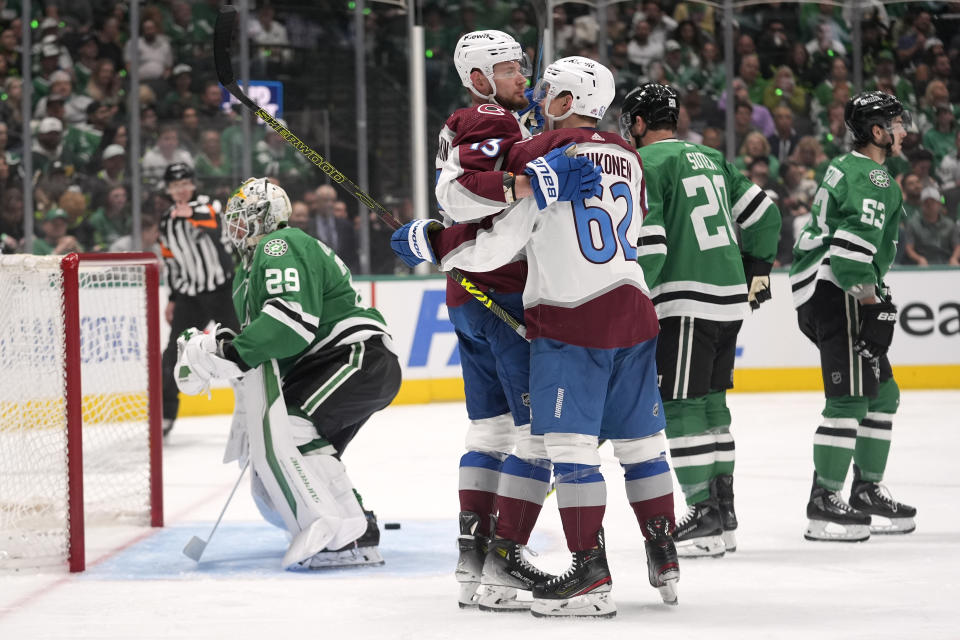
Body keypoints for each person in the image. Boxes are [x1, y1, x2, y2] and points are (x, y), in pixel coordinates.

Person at [396, 57, 679, 618]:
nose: (538, 97)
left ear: (569, 101)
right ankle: (664, 556)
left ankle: (585, 579)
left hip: (570, 317)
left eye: (548, 90)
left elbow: (503, 237)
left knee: (562, 448)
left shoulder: (541, 152)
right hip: (635, 311)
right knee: (642, 446)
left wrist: (438, 245)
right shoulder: (630, 156)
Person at [175, 177, 401, 569]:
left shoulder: (278, 244)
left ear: (266, 217)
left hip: (352, 355)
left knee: (292, 429)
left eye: (244, 216)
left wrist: (229, 354)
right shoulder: (246, 270)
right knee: (302, 447)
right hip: (329, 363)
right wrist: (219, 349)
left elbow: (289, 322)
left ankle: (342, 534)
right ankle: (356, 530)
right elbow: (260, 341)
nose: (235, 225)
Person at [404, 29, 554, 611]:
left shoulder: (501, 119)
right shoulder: (487, 117)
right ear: (479, 79)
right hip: (503, 294)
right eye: (511, 68)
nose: (524, 76)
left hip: (468, 296)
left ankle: (473, 563)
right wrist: (522, 179)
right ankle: (502, 564)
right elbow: (461, 195)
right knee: (536, 434)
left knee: (489, 432)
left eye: (521, 66)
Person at [620, 83, 781, 557]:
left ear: (640, 123)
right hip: (729, 297)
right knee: (712, 405)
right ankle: (723, 512)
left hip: (684, 299)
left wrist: (635, 296)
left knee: (680, 405)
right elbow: (765, 214)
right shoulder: (711, 157)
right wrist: (760, 268)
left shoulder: (646, 163)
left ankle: (701, 515)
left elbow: (650, 241)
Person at [789, 91, 917, 542]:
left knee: (882, 392)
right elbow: (848, 255)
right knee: (849, 399)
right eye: (896, 123)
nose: (903, 130)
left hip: (829, 286)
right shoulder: (874, 179)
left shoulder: (848, 167)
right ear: (878, 132)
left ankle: (865, 490)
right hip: (839, 288)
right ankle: (823, 503)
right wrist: (870, 305)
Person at [158, 162, 239, 438]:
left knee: (241, 347)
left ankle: (255, 407)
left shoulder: (209, 206)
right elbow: (170, 262)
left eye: (184, 184)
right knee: (172, 355)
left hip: (221, 290)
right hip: (189, 297)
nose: (180, 190)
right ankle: (166, 415)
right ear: (168, 190)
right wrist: (172, 298)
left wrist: (190, 212)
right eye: (174, 186)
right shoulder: (167, 220)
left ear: (193, 184)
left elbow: (216, 225)